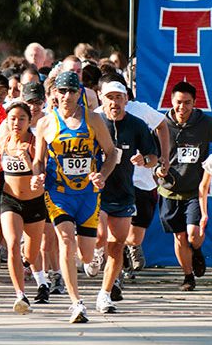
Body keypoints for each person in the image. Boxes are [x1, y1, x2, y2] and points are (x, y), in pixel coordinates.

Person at [31, 71, 118, 323]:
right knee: (66, 240)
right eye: (62, 91)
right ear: (54, 94)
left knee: (86, 256)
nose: (66, 96)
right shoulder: (46, 124)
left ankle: (94, 258)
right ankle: (76, 303)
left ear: (80, 92)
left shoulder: (94, 120)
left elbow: (111, 153)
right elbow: (39, 160)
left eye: (71, 91)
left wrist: (102, 175)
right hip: (59, 193)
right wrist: (37, 176)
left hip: (88, 196)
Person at [93, 80, 157, 313]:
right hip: (97, 191)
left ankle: (105, 295)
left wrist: (145, 161)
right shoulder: (95, 122)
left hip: (123, 193)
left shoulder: (137, 125)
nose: (114, 102)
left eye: (119, 98)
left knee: (117, 246)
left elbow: (153, 156)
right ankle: (93, 254)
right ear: (102, 99)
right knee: (99, 237)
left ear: (126, 101)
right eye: (110, 97)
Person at [155, 81, 212, 291]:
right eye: (179, 103)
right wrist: (157, 169)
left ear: (195, 103)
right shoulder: (161, 124)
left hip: (195, 191)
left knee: (192, 234)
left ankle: (196, 250)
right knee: (179, 236)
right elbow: (151, 155)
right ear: (171, 101)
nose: (182, 108)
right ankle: (188, 276)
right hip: (169, 189)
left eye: (187, 103)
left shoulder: (206, 123)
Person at [0, 101, 49, 313]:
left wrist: (28, 161)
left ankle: (27, 266)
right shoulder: (4, 140)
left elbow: (40, 168)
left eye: (22, 119)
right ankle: (20, 295)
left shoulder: (36, 142)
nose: (16, 123)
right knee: (13, 244)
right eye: (13, 119)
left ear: (29, 121)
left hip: (34, 202)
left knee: (31, 254)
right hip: (10, 200)